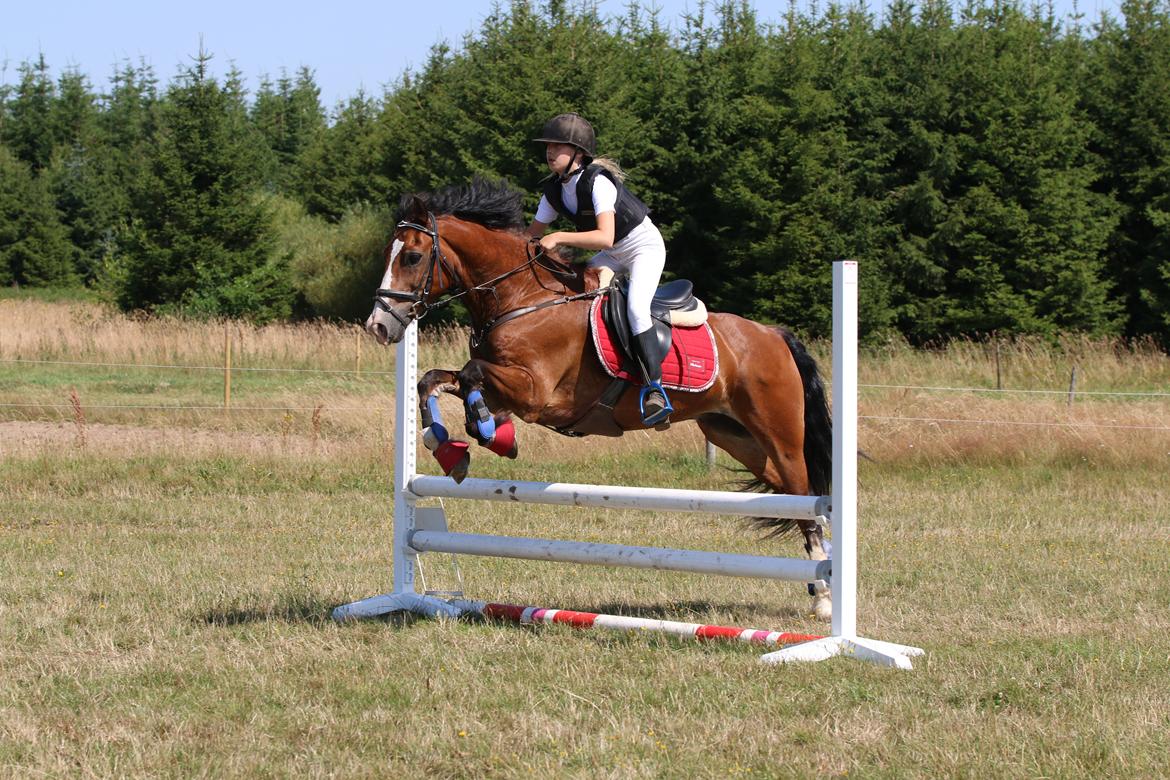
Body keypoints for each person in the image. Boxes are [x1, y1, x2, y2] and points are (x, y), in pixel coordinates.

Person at [525, 113, 673, 426]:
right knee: (576, 296)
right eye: (548, 145)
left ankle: (655, 389)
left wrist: (560, 236)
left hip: (641, 247)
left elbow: (604, 236)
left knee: (635, 309)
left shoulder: (598, 182)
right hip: (612, 254)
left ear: (578, 153)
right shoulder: (553, 190)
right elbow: (531, 236)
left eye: (558, 146)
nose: (550, 151)